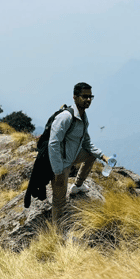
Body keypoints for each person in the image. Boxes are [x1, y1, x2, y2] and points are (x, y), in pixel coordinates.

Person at [48, 82, 110, 230]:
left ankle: (77, 186)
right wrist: (57, 171)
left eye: (90, 97)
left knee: (90, 155)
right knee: (59, 202)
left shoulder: (83, 117)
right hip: (61, 164)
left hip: (72, 157)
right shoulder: (65, 117)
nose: (88, 100)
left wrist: (103, 156)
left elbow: (87, 142)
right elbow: (53, 144)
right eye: (84, 96)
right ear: (75, 97)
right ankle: (56, 234)